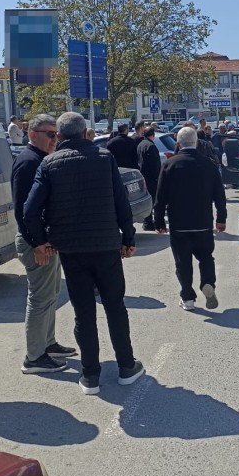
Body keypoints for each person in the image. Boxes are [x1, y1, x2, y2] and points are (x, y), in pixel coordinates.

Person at [23, 112, 143, 396]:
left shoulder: (49, 164)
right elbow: (121, 201)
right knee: (115, 306)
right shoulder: (104, 158)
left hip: (71, 249)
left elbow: (30, 210)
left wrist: (40, 241)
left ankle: (90, 375)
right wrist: (128, 237)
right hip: (106, 245)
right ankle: (126, 366)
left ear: (60, 136)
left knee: (84, 312)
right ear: (86, 132)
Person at [11, 114, 76, 375]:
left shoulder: (40, 159)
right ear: (32, 134)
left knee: (50, 295)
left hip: (44, 240)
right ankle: (34, 357)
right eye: (49, 134)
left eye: (56, 134)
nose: (54, 139)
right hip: (36, 242)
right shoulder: (29, 162)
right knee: (40, 298)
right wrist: (37, 242)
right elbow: (22, 210)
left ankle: (48, 344)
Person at [154, 125, 227, 311]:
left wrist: (159, 221)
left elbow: (161, 197)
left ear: (178, 143)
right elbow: (219, 194)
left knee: (183, 263)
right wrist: (221, 218)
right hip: (203, 223)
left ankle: (187, 298)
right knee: (206, 257)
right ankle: (208, 282)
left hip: (179, 224)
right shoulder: (208, 164)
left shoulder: (169, 165)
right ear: (196, 143)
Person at [137, 127, 161, 231]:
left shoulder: (140, 145)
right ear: (152, 135)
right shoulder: (151, 146)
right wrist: (157, 177)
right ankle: (150, 222)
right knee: (153, 200)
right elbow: (154, 164)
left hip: (143, 176)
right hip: (151, 178)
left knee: (148, 199)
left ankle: (147, 221)